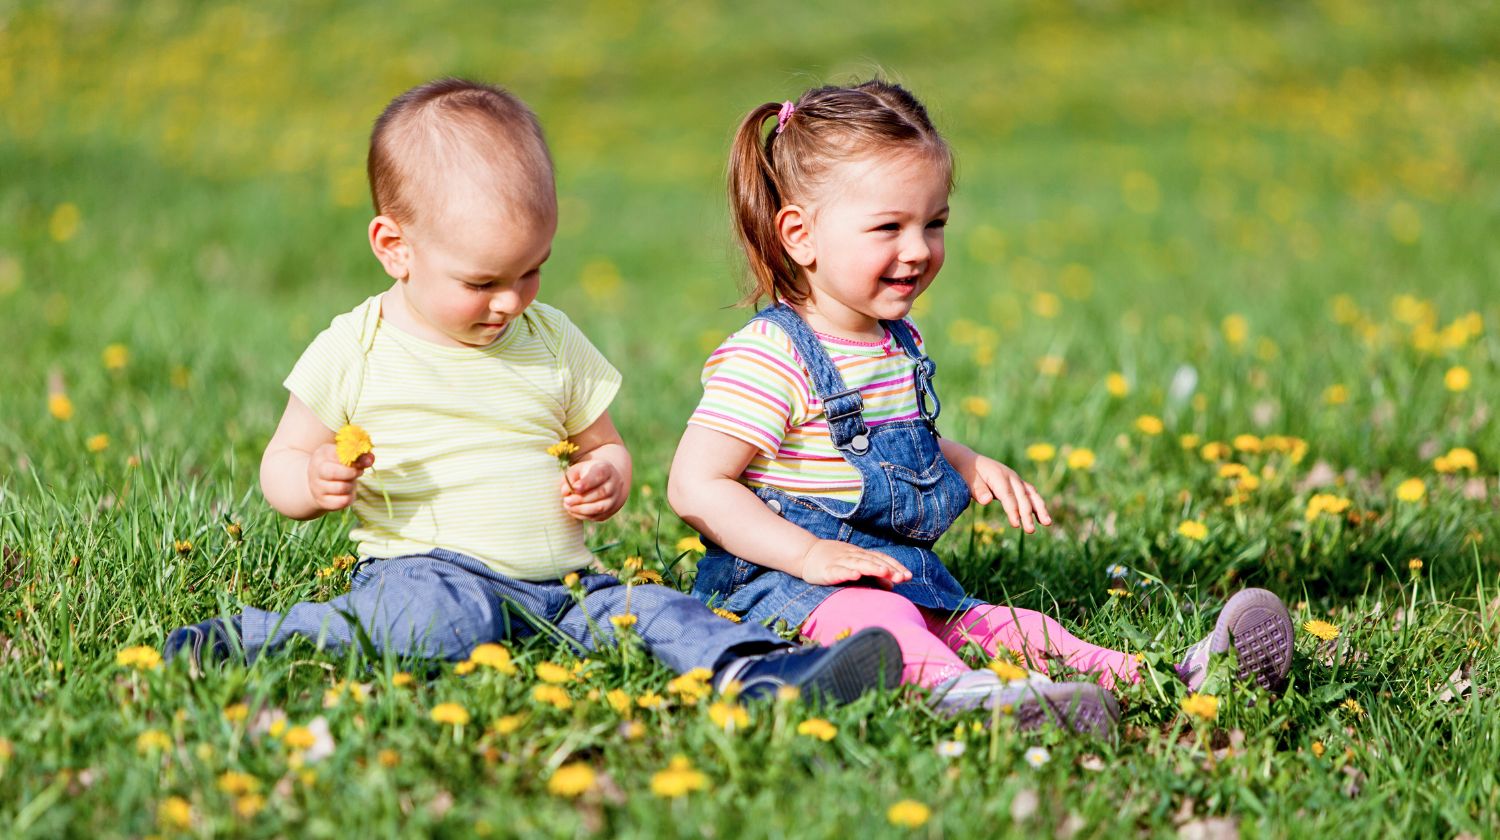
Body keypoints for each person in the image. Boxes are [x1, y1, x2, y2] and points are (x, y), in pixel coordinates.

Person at [163, 78, 902, 705]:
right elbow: (281, 463)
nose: (512, 300)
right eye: (482, 281)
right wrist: (311, 479)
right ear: (395, 248)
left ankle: (761, 672)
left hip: (567, 579)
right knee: (435, 623)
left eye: (533, 270)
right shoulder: (355, 348)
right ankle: (247, 641)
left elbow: (605, 444)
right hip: (433, 570)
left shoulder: (548, 338)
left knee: (652, 611)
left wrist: (605, 478)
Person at [667, 80, 1293, 735]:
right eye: (889, 227)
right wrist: (805, 555)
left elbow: (876, 445)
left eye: (933, 224)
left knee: (1013, 626)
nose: (919, 249)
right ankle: (968, 698)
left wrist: (964, 461)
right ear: (800, 235)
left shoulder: (893, 343)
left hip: (894, 574)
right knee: (887, 626)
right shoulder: (771, 355)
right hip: (782, 591)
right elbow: (696, 484)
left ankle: (1169, 676)